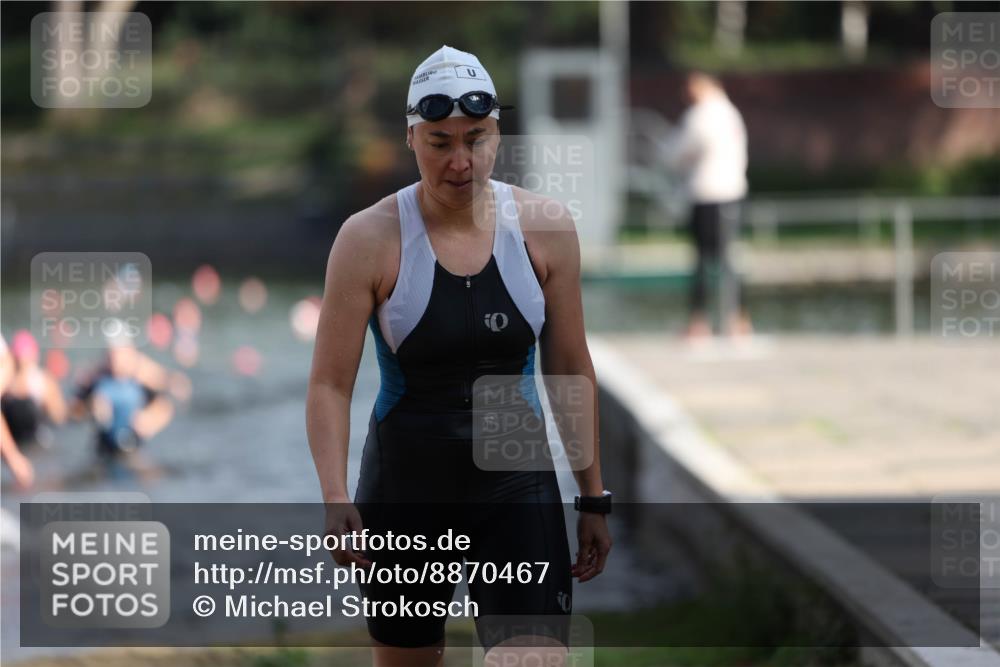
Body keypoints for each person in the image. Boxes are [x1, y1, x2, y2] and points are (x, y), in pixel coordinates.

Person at [307, 45, 612, 667]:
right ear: (412, 138)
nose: (460, 161)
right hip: (407, 487)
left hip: (516, 478)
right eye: (440, 142)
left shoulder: (545, 226)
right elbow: (330, 384)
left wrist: (594, 497)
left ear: (498, 131)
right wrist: (336, 496)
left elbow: (570, 368)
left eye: (476, 138)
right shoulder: (368, 238)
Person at [664, 71, 752, 339]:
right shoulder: (731, 113)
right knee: (728, 258)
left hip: (707, 194)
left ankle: (699, 323)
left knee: (704, 261)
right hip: (732, 193)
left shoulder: (702, 115)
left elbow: (676, 153)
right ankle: (736, 319)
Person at [0, 330, 67, 449]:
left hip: (37, 437)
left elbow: (59, 416)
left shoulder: (43, 381)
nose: (24, 363)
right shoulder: (7, 380)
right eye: (21, 360)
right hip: (14, 436)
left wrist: (48, 404)